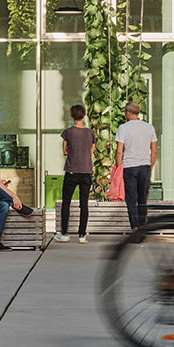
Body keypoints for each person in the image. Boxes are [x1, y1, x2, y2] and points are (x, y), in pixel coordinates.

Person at [115, 102, 157, 238]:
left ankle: (135, 228)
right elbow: (154, 151)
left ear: (127, 112)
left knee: (131, 200)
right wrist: (150, 166)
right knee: (142, 199)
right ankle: (142, 227)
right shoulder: (149, 128)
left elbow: (119, 151)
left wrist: (118, 166)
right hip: (144, 167)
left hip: (129, 167)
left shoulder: (123, 128)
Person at [55, 104, 96, 244]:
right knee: (84, 204)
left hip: (71, 171)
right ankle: (82, 235)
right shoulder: (91, 133)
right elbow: (91, 152)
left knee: (66, 202)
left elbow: (65, 151)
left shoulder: (68, 132)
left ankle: (65, 233)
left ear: (72, 116)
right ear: (84, 115)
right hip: (86, 172)